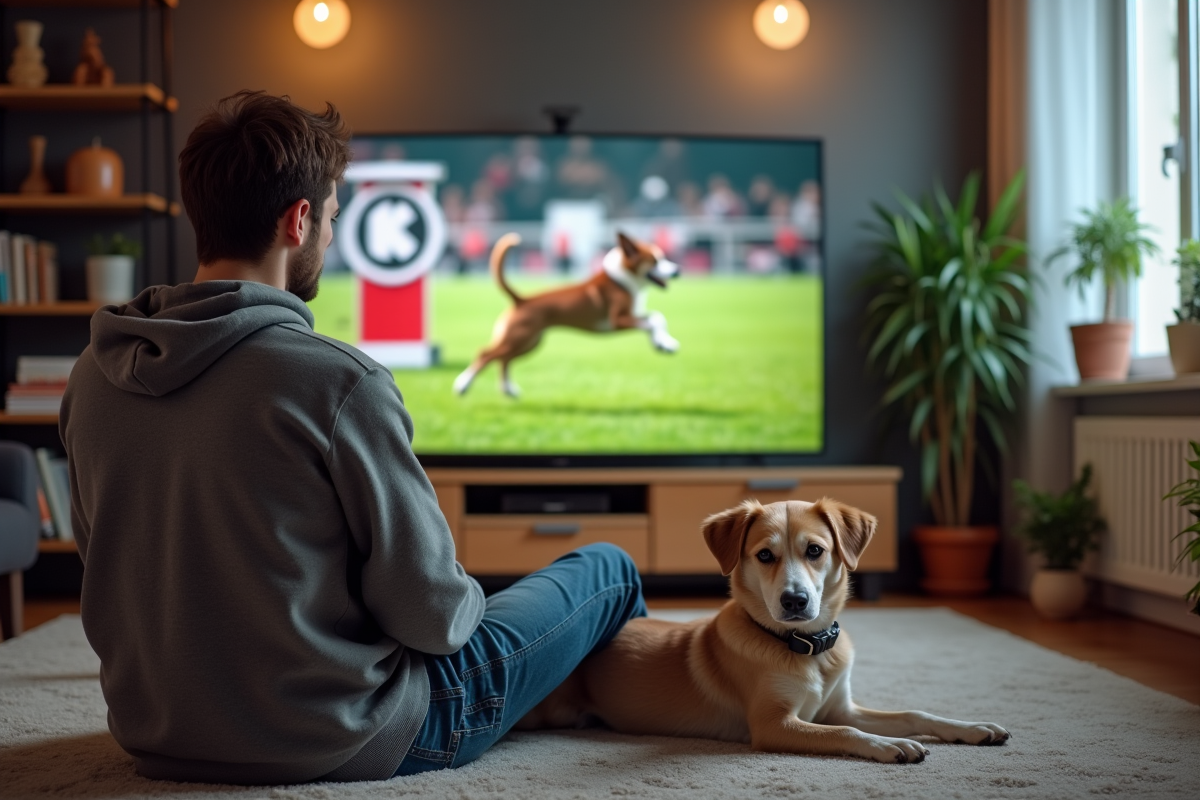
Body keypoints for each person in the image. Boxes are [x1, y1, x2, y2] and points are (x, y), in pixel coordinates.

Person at [59, 91, 646, 785]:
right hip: (341, 731)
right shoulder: (338, 381)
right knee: (606, 569)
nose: (332, 239)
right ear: (298, 220)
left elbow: (110, 570)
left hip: (157, 733)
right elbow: (435, 618)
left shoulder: (92, 376)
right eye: (333, 218)